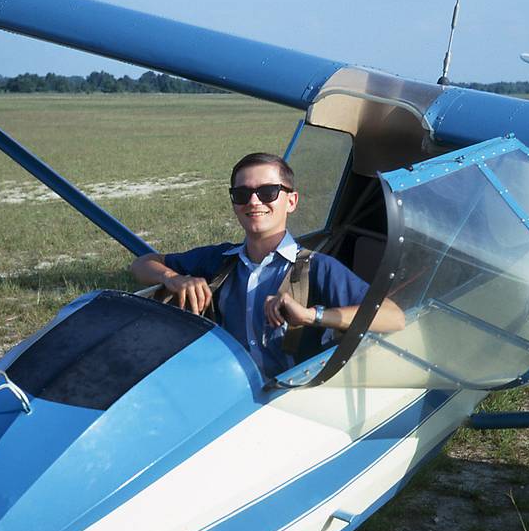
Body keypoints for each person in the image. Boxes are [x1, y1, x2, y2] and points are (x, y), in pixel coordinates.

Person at [131, 152, 404, 377]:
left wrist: (312, 316)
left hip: (288, 396)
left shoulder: (318, 268)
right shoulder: (219, 259)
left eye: (268, 192)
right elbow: (143, 264)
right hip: (227, 388)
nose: (253, 201)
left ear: (291, 201)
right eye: (242, 194)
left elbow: (394, 317)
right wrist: (172, 278)